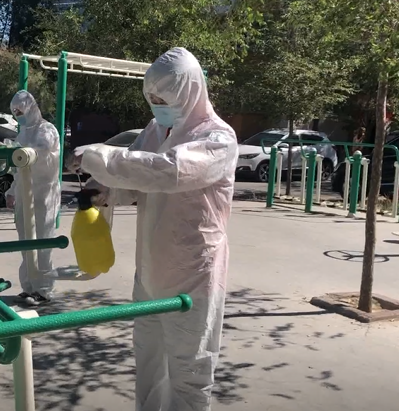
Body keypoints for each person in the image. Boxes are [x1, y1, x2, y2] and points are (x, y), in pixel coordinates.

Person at [68, 47, 238, 410]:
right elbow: (137, 180)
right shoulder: (156, 129)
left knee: (189, 372)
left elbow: (168, 171)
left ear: (189, 90)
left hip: (194, 274)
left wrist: (100, 157)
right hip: (148, 272)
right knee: (148, 365)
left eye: (163, 99)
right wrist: (106, 190)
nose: (157, 106)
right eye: (152, 99)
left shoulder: (218, 139)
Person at [5, 90, 61, 306]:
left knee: (42, 244)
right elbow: (18, 169)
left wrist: (21, 150)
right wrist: (12, 191)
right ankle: (29, 286)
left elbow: (40, 152)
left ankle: (44, 290)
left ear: (31, 108)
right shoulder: (22, 134)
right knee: (26, 242)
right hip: (24, 193)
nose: (19, 116)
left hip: (44, 195)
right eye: (16, 113)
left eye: (20, 111)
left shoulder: (47, 130)